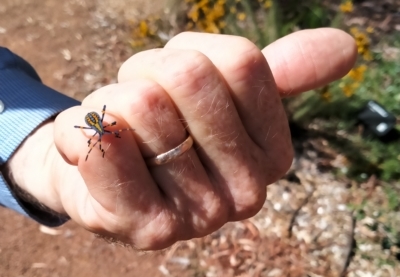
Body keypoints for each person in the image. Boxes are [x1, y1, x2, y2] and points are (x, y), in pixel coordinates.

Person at [0, 29, 357, 250]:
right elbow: (91, 132)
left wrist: (50, 161)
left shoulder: (103, 132)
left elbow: (93, 131)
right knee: (102, 135)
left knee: (105, 133)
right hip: (90, 128)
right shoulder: (98, 134)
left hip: (88, 128)